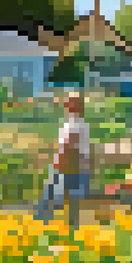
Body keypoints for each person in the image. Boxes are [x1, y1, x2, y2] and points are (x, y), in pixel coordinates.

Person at [34, 92, 93, 223]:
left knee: (55, 194)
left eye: (68, 101)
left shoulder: (75, 123)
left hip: (69, 162)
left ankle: (43, 222)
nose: (65, 103)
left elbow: (70, 145)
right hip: (73, 162)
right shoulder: (76, 122)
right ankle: (68, 226)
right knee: (69, 196)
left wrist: (59, 162)